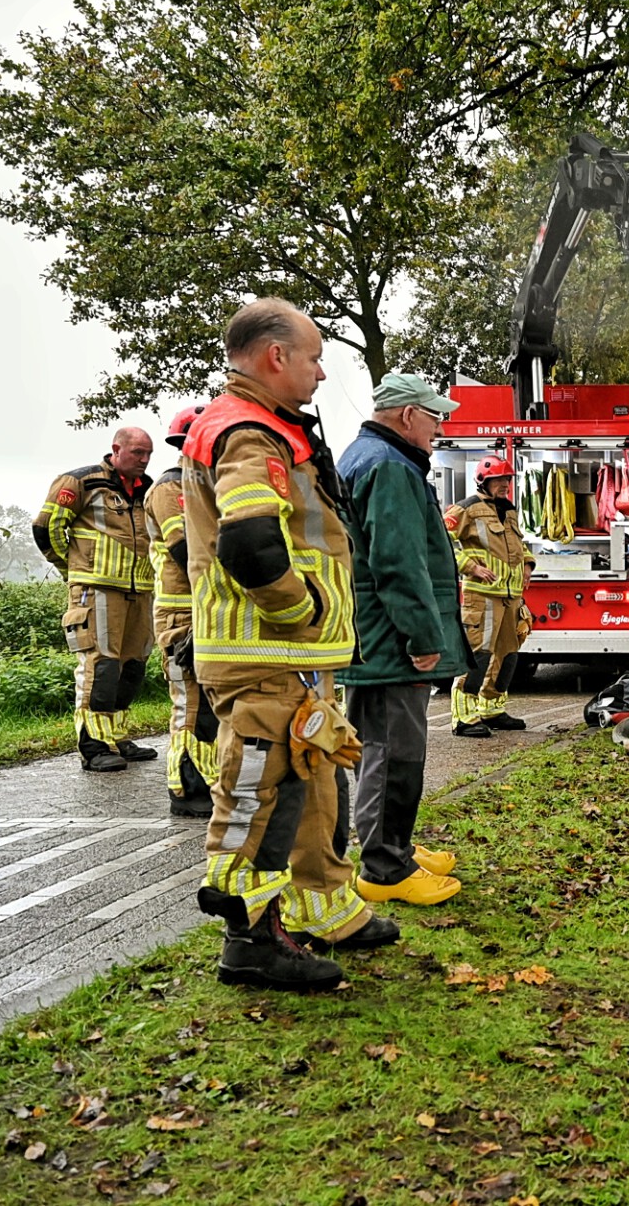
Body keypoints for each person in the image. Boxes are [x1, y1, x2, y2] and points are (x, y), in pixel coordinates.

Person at [182, 296, 394, 990]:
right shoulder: (247, 431)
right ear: (276, 357)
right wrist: (301, 610)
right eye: (314, 359)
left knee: (315, 786)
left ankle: (325, 908)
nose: (321, 375)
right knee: (263, 793)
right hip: (266, 653)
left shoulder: (268, 425)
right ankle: (251, 941)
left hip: (294, 660)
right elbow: (249, 538)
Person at [337, 373, 467, 907]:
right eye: (434, 416)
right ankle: (386, 868)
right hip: (391, 640)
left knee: (381, 747)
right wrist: (420, 634)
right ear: (407, 415)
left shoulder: (370, 456)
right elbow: (398, 561)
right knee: (394, 754)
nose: (439, 427)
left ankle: (393, 847)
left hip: (373, 633)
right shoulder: (388, 466)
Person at [33, 426, 159, 772]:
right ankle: (94, 744)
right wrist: (73, 570)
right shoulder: (80, 482)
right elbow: (46, 528)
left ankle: (116, 737)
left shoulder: (148, 490)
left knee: (132, 665)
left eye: (148, 454)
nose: (145, 460)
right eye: (138, 453)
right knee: (100, 664)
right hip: (95, 588)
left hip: (140, 589)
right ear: (116, 449)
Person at [144, 404, 218, 816]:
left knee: (208, 707)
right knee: (191, 705)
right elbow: (185, 549)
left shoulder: (207, 486)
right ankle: (187, 790)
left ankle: (207, 781)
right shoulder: (172, 490)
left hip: (208, 608)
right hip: (182, 615)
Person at [445, 454, 536, 738]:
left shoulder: (508, 510)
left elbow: (519, 545)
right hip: (481, 596)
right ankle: (464, 718)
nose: (505, 485)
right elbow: (439, 541)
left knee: (508, 656)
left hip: (510, 597)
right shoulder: (466, 509)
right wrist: (470, 567)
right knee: (478, 656)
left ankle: (493, 709)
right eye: (499, 480)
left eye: (508, 479)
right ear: (484, 481)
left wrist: (528, 564)